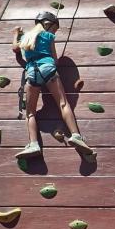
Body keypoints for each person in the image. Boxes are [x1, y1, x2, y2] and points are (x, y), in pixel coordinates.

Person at [12, 12, 93, 158]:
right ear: (47, 24)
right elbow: (55, 60)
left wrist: (17, 32)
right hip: (48, 69)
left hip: (32, 72)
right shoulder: (49, 37)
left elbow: (15, 49)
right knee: (63, 104)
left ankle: (33, 144)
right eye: (54, 28)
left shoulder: (25, 38)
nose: (54, 32)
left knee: (30, 112)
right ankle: (75, 136)